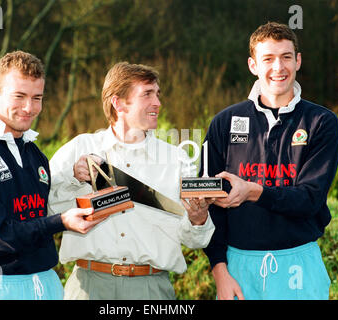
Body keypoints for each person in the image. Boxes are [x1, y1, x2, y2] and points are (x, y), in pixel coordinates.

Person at [0, 50, 104, 300]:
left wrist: (77, 179)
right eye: (19, 96)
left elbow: (36, 216)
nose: (29, 108)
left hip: (47, 283)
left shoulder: (34, 153)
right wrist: (60, 222)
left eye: (37, 98)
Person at [47, 61, 215, 300]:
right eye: (147, 94)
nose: (157, 102)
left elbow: (195, 240)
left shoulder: (176, 159)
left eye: (157, 94)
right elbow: (46, 212)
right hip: (88, 287)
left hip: (152, 291)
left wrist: (198, 220)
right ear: (118, 103)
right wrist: (72, 178)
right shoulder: (78, 149)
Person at [202, 22, 338, 300]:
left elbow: (309, 199)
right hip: (237, 266)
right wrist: (219, 270)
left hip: (299, 263)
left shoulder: (321, 122)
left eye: (286, 57)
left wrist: (253, 191)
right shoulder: (224, 122)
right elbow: (209, 202)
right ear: (253, 65)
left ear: (298, 61)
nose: (278, 67)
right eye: (268, 58)